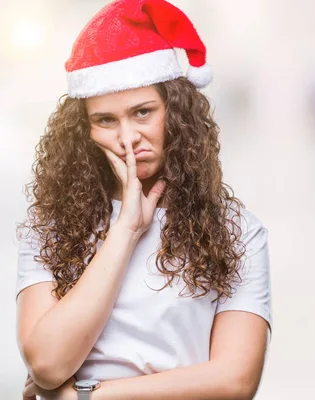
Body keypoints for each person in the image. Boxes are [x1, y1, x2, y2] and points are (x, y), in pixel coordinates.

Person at [15, 0, 272, 399]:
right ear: (84, 131)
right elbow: (48, 364)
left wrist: (86, 395)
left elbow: (234, 381)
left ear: (177, 113)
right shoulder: (49, 224)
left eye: (142, 112)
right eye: (105, 120)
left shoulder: (238, 233)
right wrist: (127, 230)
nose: (127, 137)